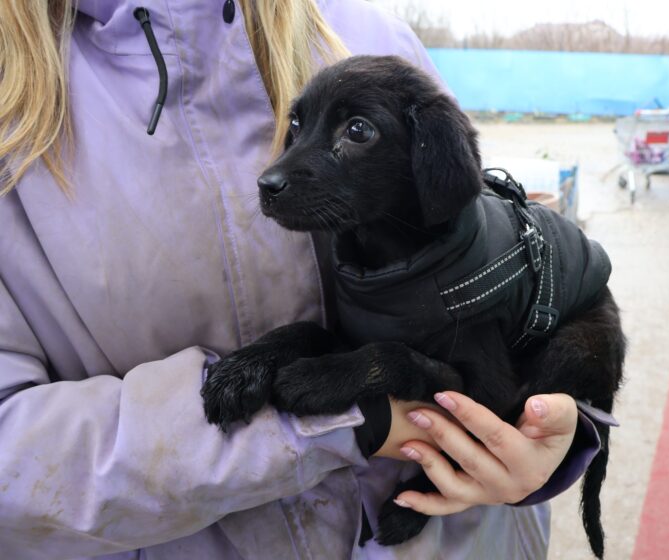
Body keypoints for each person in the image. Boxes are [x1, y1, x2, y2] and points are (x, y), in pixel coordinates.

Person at [0, 1, 606, 558]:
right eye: (295, 128)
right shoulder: (17, 93)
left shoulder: (365, 33)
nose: (274, 173)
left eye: (355, 132)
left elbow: (485, 244)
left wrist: (549, 436)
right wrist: (339, 421)